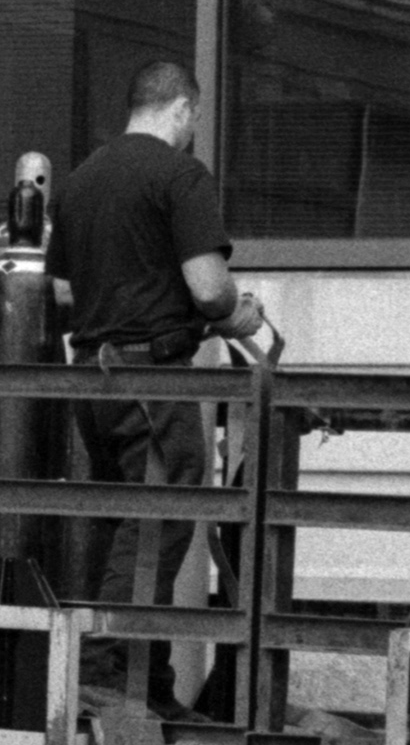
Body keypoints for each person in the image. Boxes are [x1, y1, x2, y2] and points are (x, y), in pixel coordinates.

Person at [48, 60, 267, 711]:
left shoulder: (81, 180)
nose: (194, 128)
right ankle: (104, 672)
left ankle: (147, 684)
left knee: (129, 525)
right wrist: (236, 312)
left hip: (92, 377)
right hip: (151, 375)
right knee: (161, 521)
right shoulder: (180, 175)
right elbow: (208, 288)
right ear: (182, 108)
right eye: (195, 117)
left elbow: (61, 290)